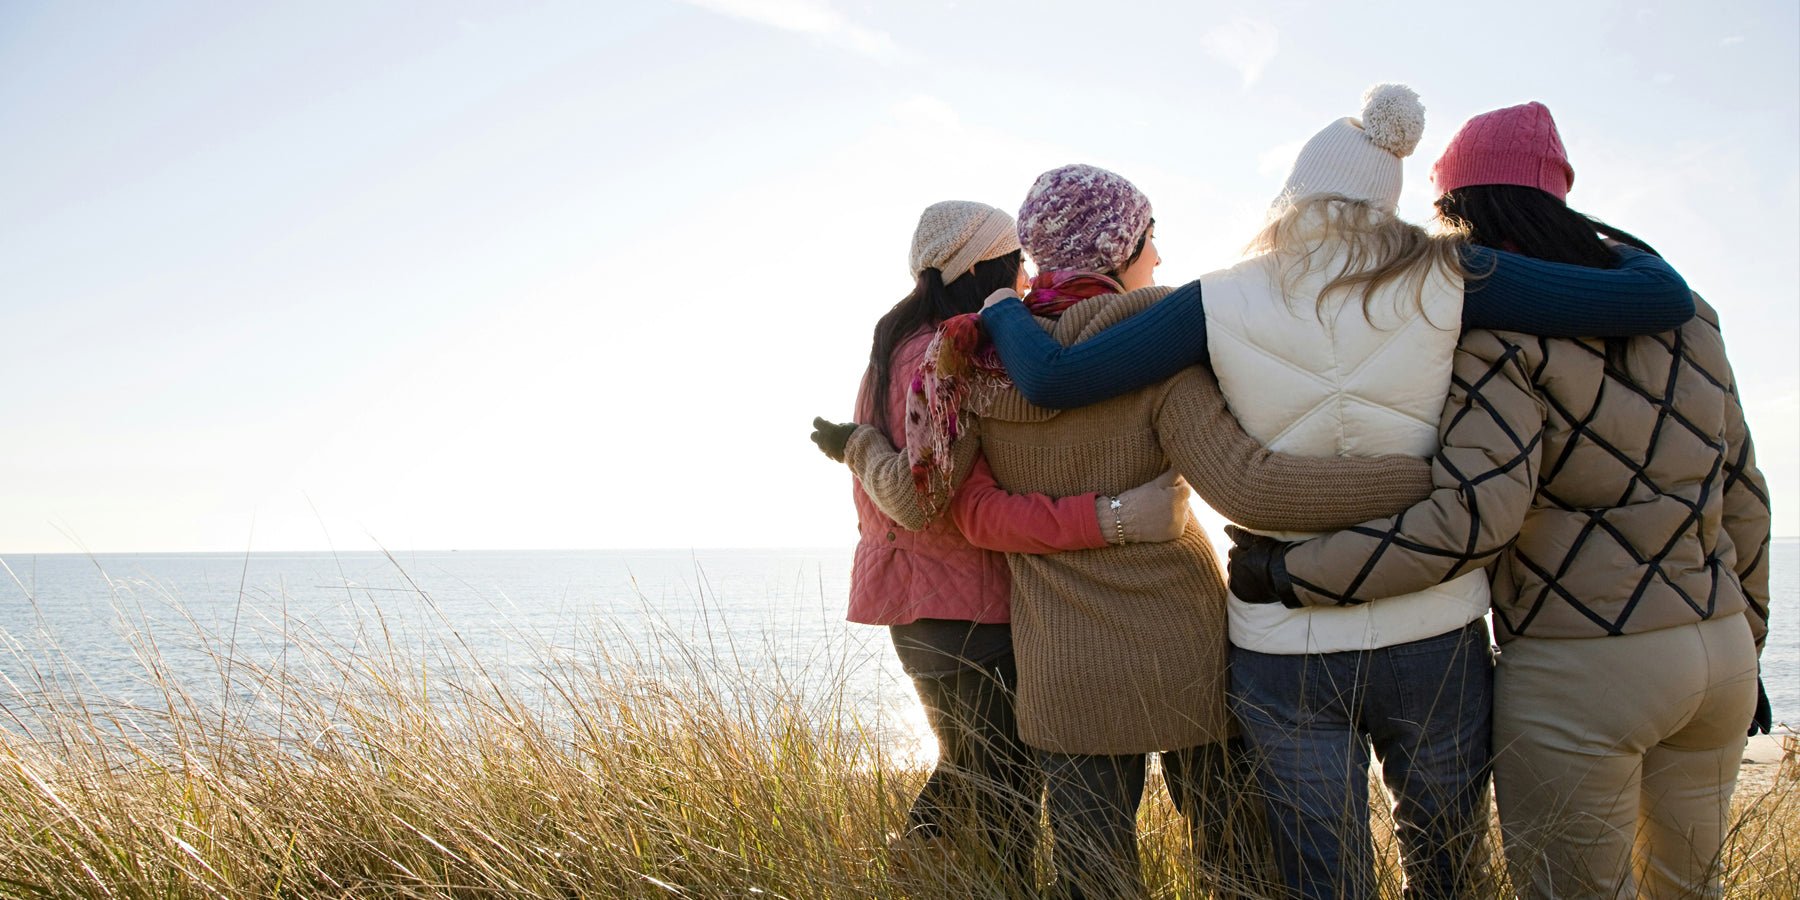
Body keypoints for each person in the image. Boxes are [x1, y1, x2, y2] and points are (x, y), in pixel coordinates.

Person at [822, 164, 1445, 899]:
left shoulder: (974, 365)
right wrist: (1422, 478)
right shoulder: (1159, 350)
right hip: (1185, 650)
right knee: (1238, 865)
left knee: (1092, 881)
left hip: (1064, 664)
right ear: (1120, 250)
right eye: (1151, 239)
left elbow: (967, 512)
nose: (1159, 257)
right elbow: (1251, 486)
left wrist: (861, 447)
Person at [1225, 101, 1771, 900]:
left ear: (1459, 209)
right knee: (1693, 890)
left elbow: (1473, 517)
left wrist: (1292, 573)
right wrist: (1748, 641)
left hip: (1585, 661)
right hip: (1718, 651)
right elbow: (1745, 492)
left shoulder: (1495, 335)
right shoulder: (1691, 317)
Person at [822, 200, 1194, 890]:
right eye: (1014, 261)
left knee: (968, 774)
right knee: (1005, 810)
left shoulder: (886, 354)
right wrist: (860, 448)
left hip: (916, 613)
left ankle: (903, 874)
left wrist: (857, 444)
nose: (1024, 278)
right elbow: (915, 495)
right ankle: (915, 875)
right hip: (973, 614)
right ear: (984, 265)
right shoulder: (953, 354)